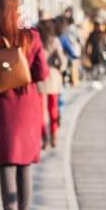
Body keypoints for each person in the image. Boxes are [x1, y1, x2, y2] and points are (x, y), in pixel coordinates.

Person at [0, 0, 48, 210]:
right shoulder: (32, 37)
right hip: (27, 105)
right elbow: (41, 73)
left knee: (7, 164)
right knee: (25, 165)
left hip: (1, 106)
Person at [37, 19, 65, 150]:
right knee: (53, 109)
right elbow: (61, 60)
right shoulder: (55, 41)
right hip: (53, 77)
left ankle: (45, 138)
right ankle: (54, 135)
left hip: (40, 80)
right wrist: (60, 68)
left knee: (41, 112)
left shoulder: (37, 41)